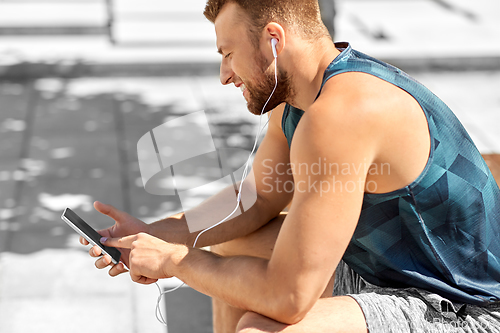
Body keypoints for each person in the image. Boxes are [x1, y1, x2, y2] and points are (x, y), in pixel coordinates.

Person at [81, 0, 500, 332]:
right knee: (230, 246)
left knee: (260, 329)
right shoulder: (300, 102)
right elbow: (258, 197)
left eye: (228, 53)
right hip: (385, 271)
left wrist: (174, 261)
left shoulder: (342, 114)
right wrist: (155, 233)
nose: (224, 75)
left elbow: (288, 296)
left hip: (462, 307)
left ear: (273, 40)